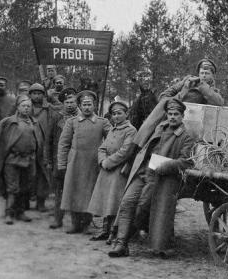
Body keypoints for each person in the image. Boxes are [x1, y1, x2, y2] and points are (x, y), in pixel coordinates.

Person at [109, 98, 195, 258]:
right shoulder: (160, 127)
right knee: (127, 202)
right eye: (170, 114)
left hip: (160, 177)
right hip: (143, 171)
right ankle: (120, 242)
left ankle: (123, 242)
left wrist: (164, 165)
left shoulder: (186, 136)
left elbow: (186, 162)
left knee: (142, 208)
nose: (172, 117)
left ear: (182, 116)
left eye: (176, 114)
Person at [133, 58, 223, 149]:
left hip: (190, 127)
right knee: (155, 134)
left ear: (213, 75)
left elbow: (218, 102)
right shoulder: (188, 81)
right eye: (202, 73)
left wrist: (201, 85)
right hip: (171, 117)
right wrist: (184, 89)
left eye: (207, 73)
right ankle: (137, 146)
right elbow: (163, 96)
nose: (203, 76)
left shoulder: (213, 91)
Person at [57, 91, 112, 234]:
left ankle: (87, 224)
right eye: (84, 105)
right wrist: (62, 164)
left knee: (89, 193)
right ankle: (75, 224)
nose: (87, 107)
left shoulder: (103, 122)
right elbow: (63, 144)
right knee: (73, 192)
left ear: (94, 105)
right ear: (80, 106)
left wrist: (106, 158)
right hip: (75, 163)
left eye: (90, 104)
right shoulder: (72, 122)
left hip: (93, 163)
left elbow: (112, 140)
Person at [0, 95, 48, 224]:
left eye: (29, 106)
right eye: (24, 106)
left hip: (29, 159)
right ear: (17, 107)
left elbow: (40, 140)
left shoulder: (35, 122)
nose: (26, 108)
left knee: (25, 187)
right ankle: (9, 213)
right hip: (12, 159)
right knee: (12, 188)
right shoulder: (9, 121)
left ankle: (20, 212)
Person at [87, 101, 136, 242]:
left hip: (119, 170)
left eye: (119, 113)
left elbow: (125, 151)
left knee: (115, 202)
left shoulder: (131, 130)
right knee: (105, 200)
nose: (116, 116)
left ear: (126, 114)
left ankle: (114, 233)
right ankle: (104, 230)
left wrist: (108, 162)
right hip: (106, 170)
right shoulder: (113, 129)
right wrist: (102, 161)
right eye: (114, 114)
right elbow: (102, 147)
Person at [49, 91, 78, 229]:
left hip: (77, 160)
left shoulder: (83, 117)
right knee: (59, 190)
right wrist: (48, 159)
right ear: (63, 103)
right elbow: (49, 139)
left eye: (72, 101)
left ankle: (76, 222)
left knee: (76, 190)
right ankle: (57, 219)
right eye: (67, 102)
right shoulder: (57, 117)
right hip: (59, 159)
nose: (70, 105)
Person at [28, 83, 59, 212]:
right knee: (28, 174)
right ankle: (25, 201)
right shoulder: (24, 106)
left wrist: (53, 98)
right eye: (34, 93)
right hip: (28, 145)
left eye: (39, 93)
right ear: (30, 95)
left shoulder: (49, 108)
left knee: (43, 176)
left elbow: (61, 109)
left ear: (43, 95)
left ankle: (41, 202)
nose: (36, 96)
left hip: (44, 146)